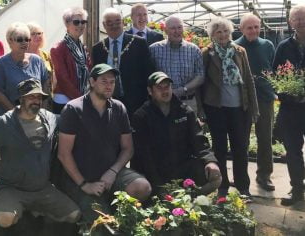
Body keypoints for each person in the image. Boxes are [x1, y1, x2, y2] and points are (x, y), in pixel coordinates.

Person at [0, 79, 80, 232]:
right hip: (11, 188)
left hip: (42, 189)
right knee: (5, 218)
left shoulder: (50, 119)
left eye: (39, 97)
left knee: (74, 214)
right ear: (21, 99)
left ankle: (34, 211)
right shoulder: (5, 124)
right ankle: (12, 209)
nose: (36, 101)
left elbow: (72, 123)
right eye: (31, 97)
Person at [58, 63, 152, 231]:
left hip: (111, 175)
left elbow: (128, 148)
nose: (109, 85)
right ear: (92, 82)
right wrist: (84, 184)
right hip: (81, 178)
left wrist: (113, 171)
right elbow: (64, 154)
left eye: (112, 82)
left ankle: (114, 208)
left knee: (142, 187)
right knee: (105, 226)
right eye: (104, 81)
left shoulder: (118, 108)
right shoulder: (73, 109)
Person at [131, 71, 222, 195]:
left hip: (181, 168)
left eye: (167, 86)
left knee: (215, 176)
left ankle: (191, 199)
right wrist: (159, 186)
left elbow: (199, 140)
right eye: (159, 87)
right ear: (150, 91)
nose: (165, 91)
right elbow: (144, 156)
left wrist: (210, 161)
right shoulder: (141, 116)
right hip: (154, 171)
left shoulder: (185, 111)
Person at [198, 17, 259, 199]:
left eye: (225, 31)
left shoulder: (239, 51)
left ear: (231, 32)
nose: (223, 35)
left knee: (240, 147)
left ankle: (243, 187)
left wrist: (254, 108)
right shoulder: (207, 53)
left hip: (239, 108)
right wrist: (201, 109)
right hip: (216, 108)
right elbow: (202, 83)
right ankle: (222, 186)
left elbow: (248, 80)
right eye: (218, 32)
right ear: (212, 35)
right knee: (220, 148)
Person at [235, 13, 276, 192]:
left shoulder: (267, 45)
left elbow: (275, 70)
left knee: (265, 138)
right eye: (249, 27)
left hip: (264, 98)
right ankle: (241, 178)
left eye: (256, 27)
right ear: (241, 29)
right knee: (241, 139)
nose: (253, 30)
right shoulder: (235, 46)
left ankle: (264, 175)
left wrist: (273, 90)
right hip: (242, 99)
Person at [92, 8, 154, 115]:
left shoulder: (138, 43)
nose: (114, 26)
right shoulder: (98, 48)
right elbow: (95, 77)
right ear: (104, 25)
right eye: (109, 23)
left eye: (117, 22)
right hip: (106, 103)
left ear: (123, 22)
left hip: (136, 103)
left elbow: (149, 72)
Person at [272, 4, 305, 206]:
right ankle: (297, 189)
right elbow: (275, 75)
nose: (301, 22)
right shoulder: (284, 46)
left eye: (303, 18)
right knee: (293, 150)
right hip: (291, 109)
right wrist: (287, 93)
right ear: (291, 22)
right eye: (297, 19)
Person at [0, 22, 48, 117]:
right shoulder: (1, 63)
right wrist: (17, 114)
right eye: (20, 39)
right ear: (10, 40)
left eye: (27, 39)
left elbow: (45, 85)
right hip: (10, 117)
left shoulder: (36, 60)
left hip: (34, 115)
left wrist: (41, 110)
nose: (24, 43)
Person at [149, 15, 204, 112]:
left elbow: (200, 76)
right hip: (163, 103)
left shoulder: (194, 50)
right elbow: (149, 74)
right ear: (165, 30)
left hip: (188, 101)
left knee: (189, 127)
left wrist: (183, 90)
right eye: (173, 28)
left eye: (179, 27)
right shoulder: (154, 49)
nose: (177, 31)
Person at [50, 7, 91, 114]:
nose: (80, 25)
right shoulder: (58, 49)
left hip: (82, 97)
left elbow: (90, 71)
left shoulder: (83, 48)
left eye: (83, 22)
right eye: (76, 22)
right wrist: (81, 99)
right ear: (67, 25)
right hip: (64, 100)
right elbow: (63, 79)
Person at [27, 22, 55, 110]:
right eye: (33, 34)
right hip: (30, 101)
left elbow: (53, 78)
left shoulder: (46, 55)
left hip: (48, 100)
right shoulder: (23, 56)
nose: (37, 36)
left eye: (39, 33)